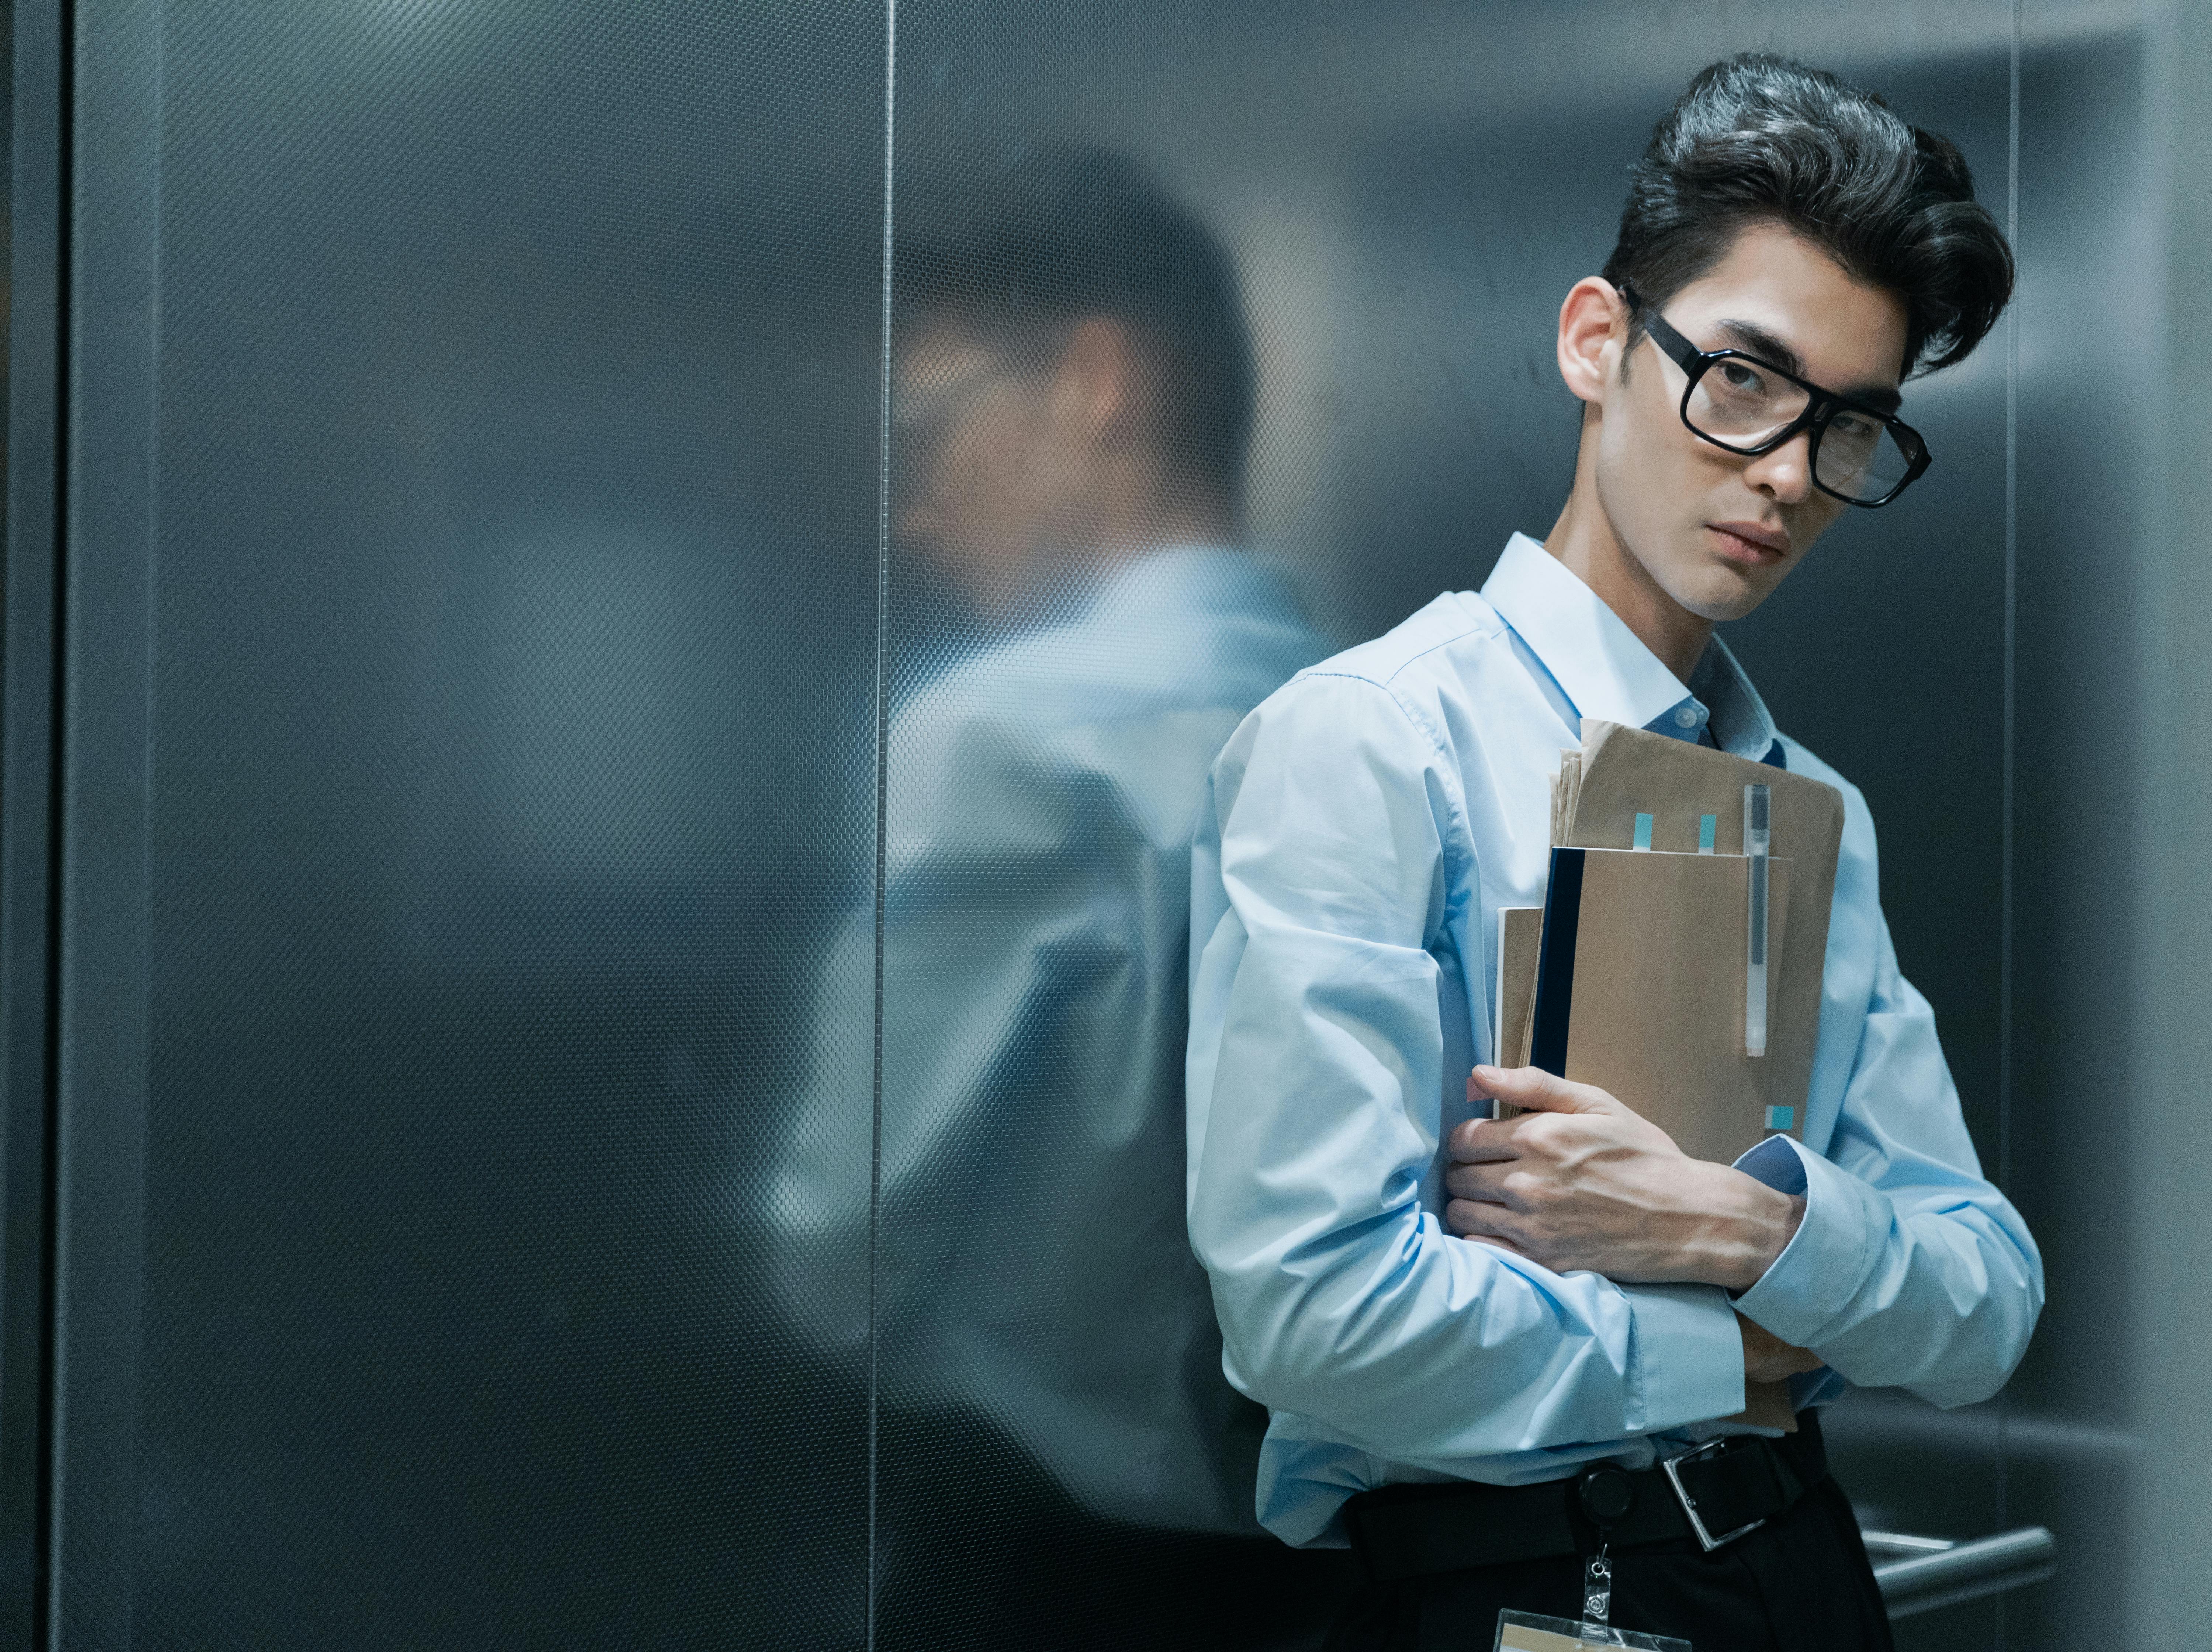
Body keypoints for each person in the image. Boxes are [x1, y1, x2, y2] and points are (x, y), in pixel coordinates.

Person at [1185, 55, 2041, 1651]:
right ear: (1599, 343)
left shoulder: (1811, 809)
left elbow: (1986, 1293)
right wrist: (1740, 1352)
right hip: (1520, 1581)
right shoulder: (1373, 742)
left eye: (1854, 428)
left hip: (1803, 1569)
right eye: (1743, 380)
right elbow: (1312, 1311)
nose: (1790, 471)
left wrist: (1737, 1228)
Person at [769, 152, 1348, 1637]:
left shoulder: (1011, 732)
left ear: (1098, 381)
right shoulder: (1404, 723)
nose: (918, 508)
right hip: (1356, 1572)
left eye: (931, 427)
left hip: (1055, 1568)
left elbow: (845, 1242)